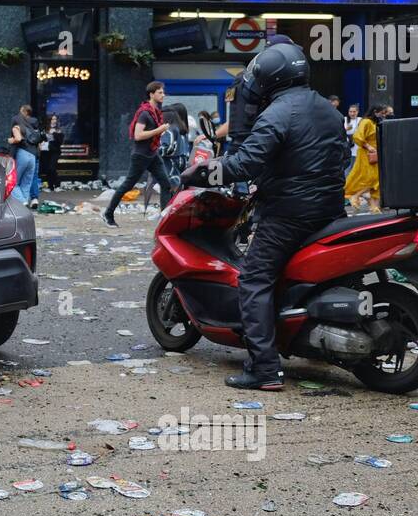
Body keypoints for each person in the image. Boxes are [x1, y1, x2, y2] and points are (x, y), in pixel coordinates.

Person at [182, 43, 347, 391]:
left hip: (289, 213)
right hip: (330, 207)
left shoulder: (277, 113)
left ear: (270, 78)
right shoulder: (328, 110)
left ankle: (264, 368)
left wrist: (201, 173)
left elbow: (244, 163)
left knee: (254, 279)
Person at [103, 81, 176, 226]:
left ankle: (164, 219)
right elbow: (138, 135)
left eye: (163, 92)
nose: (163, 95)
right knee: (127, 185)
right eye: (160, 92)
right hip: (141, 155)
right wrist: (159, 130)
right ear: (151, 94)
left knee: (166, 184)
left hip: (153, 153)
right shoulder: (144, 113)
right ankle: (108, 214)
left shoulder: (156, 112)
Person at [344, 105, 388, 213]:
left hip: (375, 154)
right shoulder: (366, 122)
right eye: (382, 113)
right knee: (371, 179)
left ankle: (374, 206)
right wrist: (368, 146)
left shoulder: (374, 122)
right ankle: (355, 196)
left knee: (377, 180)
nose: (383, 115)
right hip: (366, 154)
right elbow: (357, 136)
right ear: (375, 111)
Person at [8, 104, 41, 208]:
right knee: (26, 182)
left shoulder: (16, 126)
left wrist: (10, 140)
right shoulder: (31, 128)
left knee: (13, 182)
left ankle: (22, 202)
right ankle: (24, 204)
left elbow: (18, 138)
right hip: (33, 156)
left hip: (23, 153)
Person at [39, 114, 65, 191]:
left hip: (55, 151)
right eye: (52, 119)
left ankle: (57, 185)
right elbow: (41, 138)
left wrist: (55, 133)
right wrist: (41, 143)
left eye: (55, 119)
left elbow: (60, 141)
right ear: (49, 120)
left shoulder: (58, 129)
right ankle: (50, 186)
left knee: (52, 168)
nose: (54, 121)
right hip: (46, 151)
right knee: (47, 169)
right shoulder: (45, 129)